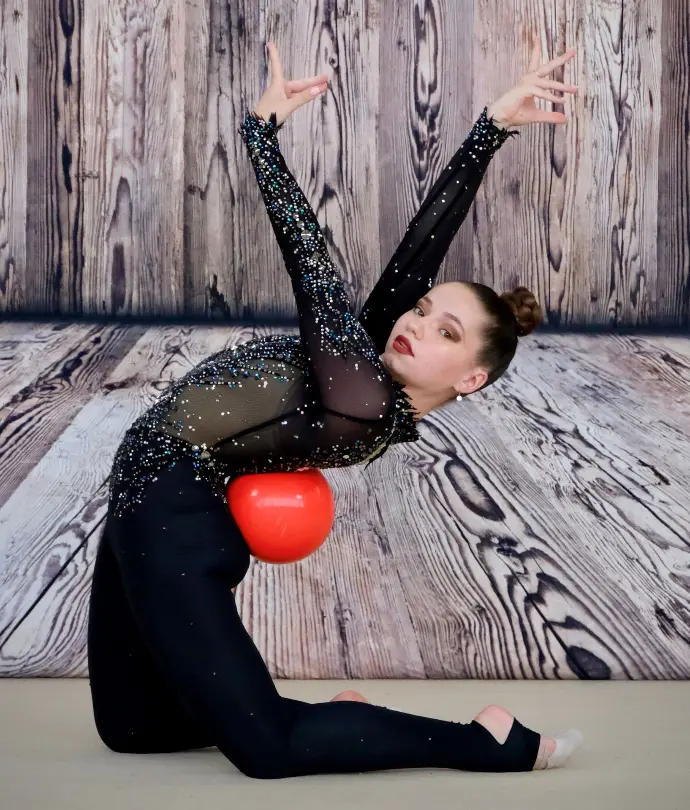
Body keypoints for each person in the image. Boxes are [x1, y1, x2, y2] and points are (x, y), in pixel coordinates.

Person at [87, 39, 583, 779]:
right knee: (136, 730)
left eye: (446, 334)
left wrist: (260, 137)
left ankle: (488, 741)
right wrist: (491, 130)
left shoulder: (361, 398)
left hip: (174, 515)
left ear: (472, 379)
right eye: (423, 311)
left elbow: (311, 266)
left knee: (269, 751)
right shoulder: (370, 367)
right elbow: (420, 249)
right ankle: (333, 722)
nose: (416, 324)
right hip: (143, 496)